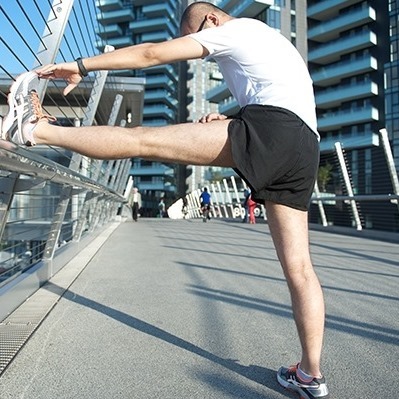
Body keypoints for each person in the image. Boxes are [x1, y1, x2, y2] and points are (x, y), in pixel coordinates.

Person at [1, 2, 328, 398]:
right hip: (304, 146)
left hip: (270, 129)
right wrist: (235, 118)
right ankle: (311, 375)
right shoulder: (272, 41)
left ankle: (36, 130)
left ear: (210, 20)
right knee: (300, 269)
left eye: (192, 36)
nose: (193, 44)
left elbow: (151, 53)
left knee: (143, 138)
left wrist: (82, 66)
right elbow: (278, 97)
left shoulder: (233, 29)